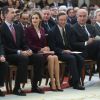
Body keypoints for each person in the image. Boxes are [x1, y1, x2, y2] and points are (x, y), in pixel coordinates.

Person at [0, 6, 45, 96]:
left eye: (15, 12)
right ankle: (17, 88)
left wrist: (28, 49)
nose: (15, 14)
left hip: (20, 53)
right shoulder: (1, 28)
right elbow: (3, 46)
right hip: (9, 54)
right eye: (12, 12)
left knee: (39, 57)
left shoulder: (18, 27)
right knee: (23, 58)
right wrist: (19, 52)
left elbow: (23, 43)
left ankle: (35, 86)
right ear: (5, 15)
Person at [25, 11, 63, 91]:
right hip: (34, 53)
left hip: (43, 52)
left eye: (36, 18)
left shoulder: (42, 29)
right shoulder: (28, 29)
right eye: (33, 18)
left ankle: (56, 82)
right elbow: (29, 44)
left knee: (55, 57)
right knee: (52, 58)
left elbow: (44, 43)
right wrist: (40, 49)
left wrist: (46, 47)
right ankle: (53, 82)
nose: (34, 20)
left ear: (40, 20)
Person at [48, 12, 85, 90]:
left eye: (65, 20)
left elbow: (71, 42)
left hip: (69, 51)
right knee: (72, 58)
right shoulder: (52, 31)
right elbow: (52, 47)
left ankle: (72, 80)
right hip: (59, 52)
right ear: (57, 20)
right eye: (61, 20)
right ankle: (76, 83)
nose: (63, 22)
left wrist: (72, 50)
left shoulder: (69, 27)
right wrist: (63, 51)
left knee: (81, 59)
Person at [70, 9, 100, 75]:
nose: (82, 18)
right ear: (77, 17)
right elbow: (73, 44)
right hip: (82, 51)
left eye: (84, 16)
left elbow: (96, 37)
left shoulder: (91, 27)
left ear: (87, 17)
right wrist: (86, 43)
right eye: (80, 16)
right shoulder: (73, 28)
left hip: (94, 51)